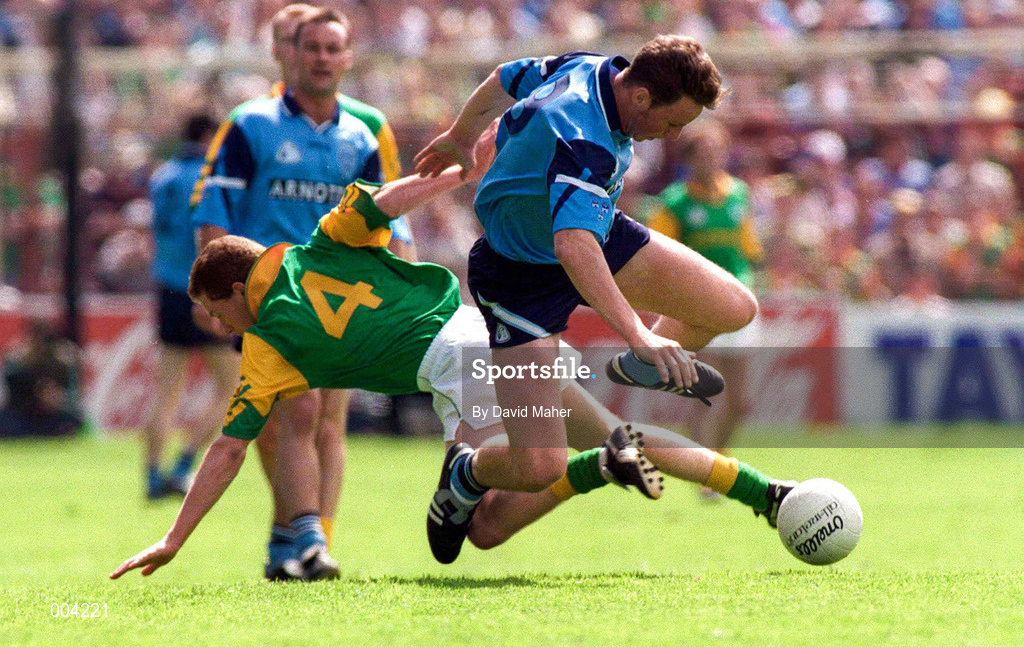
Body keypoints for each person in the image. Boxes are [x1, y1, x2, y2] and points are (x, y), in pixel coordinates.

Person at [110, 170, 798, 581]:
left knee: (491, 517)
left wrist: (175, 537)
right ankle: (766, 492)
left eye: (214, 312)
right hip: (484, 330)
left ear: (233, 288)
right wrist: (450, 176)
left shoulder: (266, 349)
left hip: (465, 362)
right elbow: (386, 201)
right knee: (607, 441)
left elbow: (228, 450)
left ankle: (480, 472)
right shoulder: (322, 238)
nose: (219, 327)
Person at [414, 36, 771, 554]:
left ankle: (637, 366)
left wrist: (460, 134)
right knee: (539, 468)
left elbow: (505, 76)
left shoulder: (593, 68)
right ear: (643, 97)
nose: (668, 138)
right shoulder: (585, 139)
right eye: (672, 124)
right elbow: (573, 247)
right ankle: (466, 471)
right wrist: (640, 333)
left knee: (733, 306)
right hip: (521, 278)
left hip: (593, 228)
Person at [190, 6, 407, 579]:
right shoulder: (250, 123)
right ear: (286, 52)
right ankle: (298, 534)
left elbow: (388, 218)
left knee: (321, 418)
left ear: (347, 57)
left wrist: (398, 284)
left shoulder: (365, 131)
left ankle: (309, 541)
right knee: (287, 417)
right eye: (307, 46)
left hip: (338, 297)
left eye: (331, 48)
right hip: (264, 297)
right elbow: (215, 207)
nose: (318, 57)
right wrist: (210, 290)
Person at [647, 119, 764, 490]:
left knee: (741, 400)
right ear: (690, 159)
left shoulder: (738, 194)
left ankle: (715, 456)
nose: (712, 159)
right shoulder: (675, 203)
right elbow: (657, 254)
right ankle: (704, 472)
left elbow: (748, 247)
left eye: (718, 151)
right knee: (707, 392)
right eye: (704, 153)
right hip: (696, 306)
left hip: (739, 300)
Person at [145, 114, 240, 500]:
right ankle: (184, 463)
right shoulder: (207, 177)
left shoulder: (162, 176)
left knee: (167, 390)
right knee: (232, 388)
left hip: (165, 287)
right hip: (200, 288)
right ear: (206, 136)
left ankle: (152, 475)